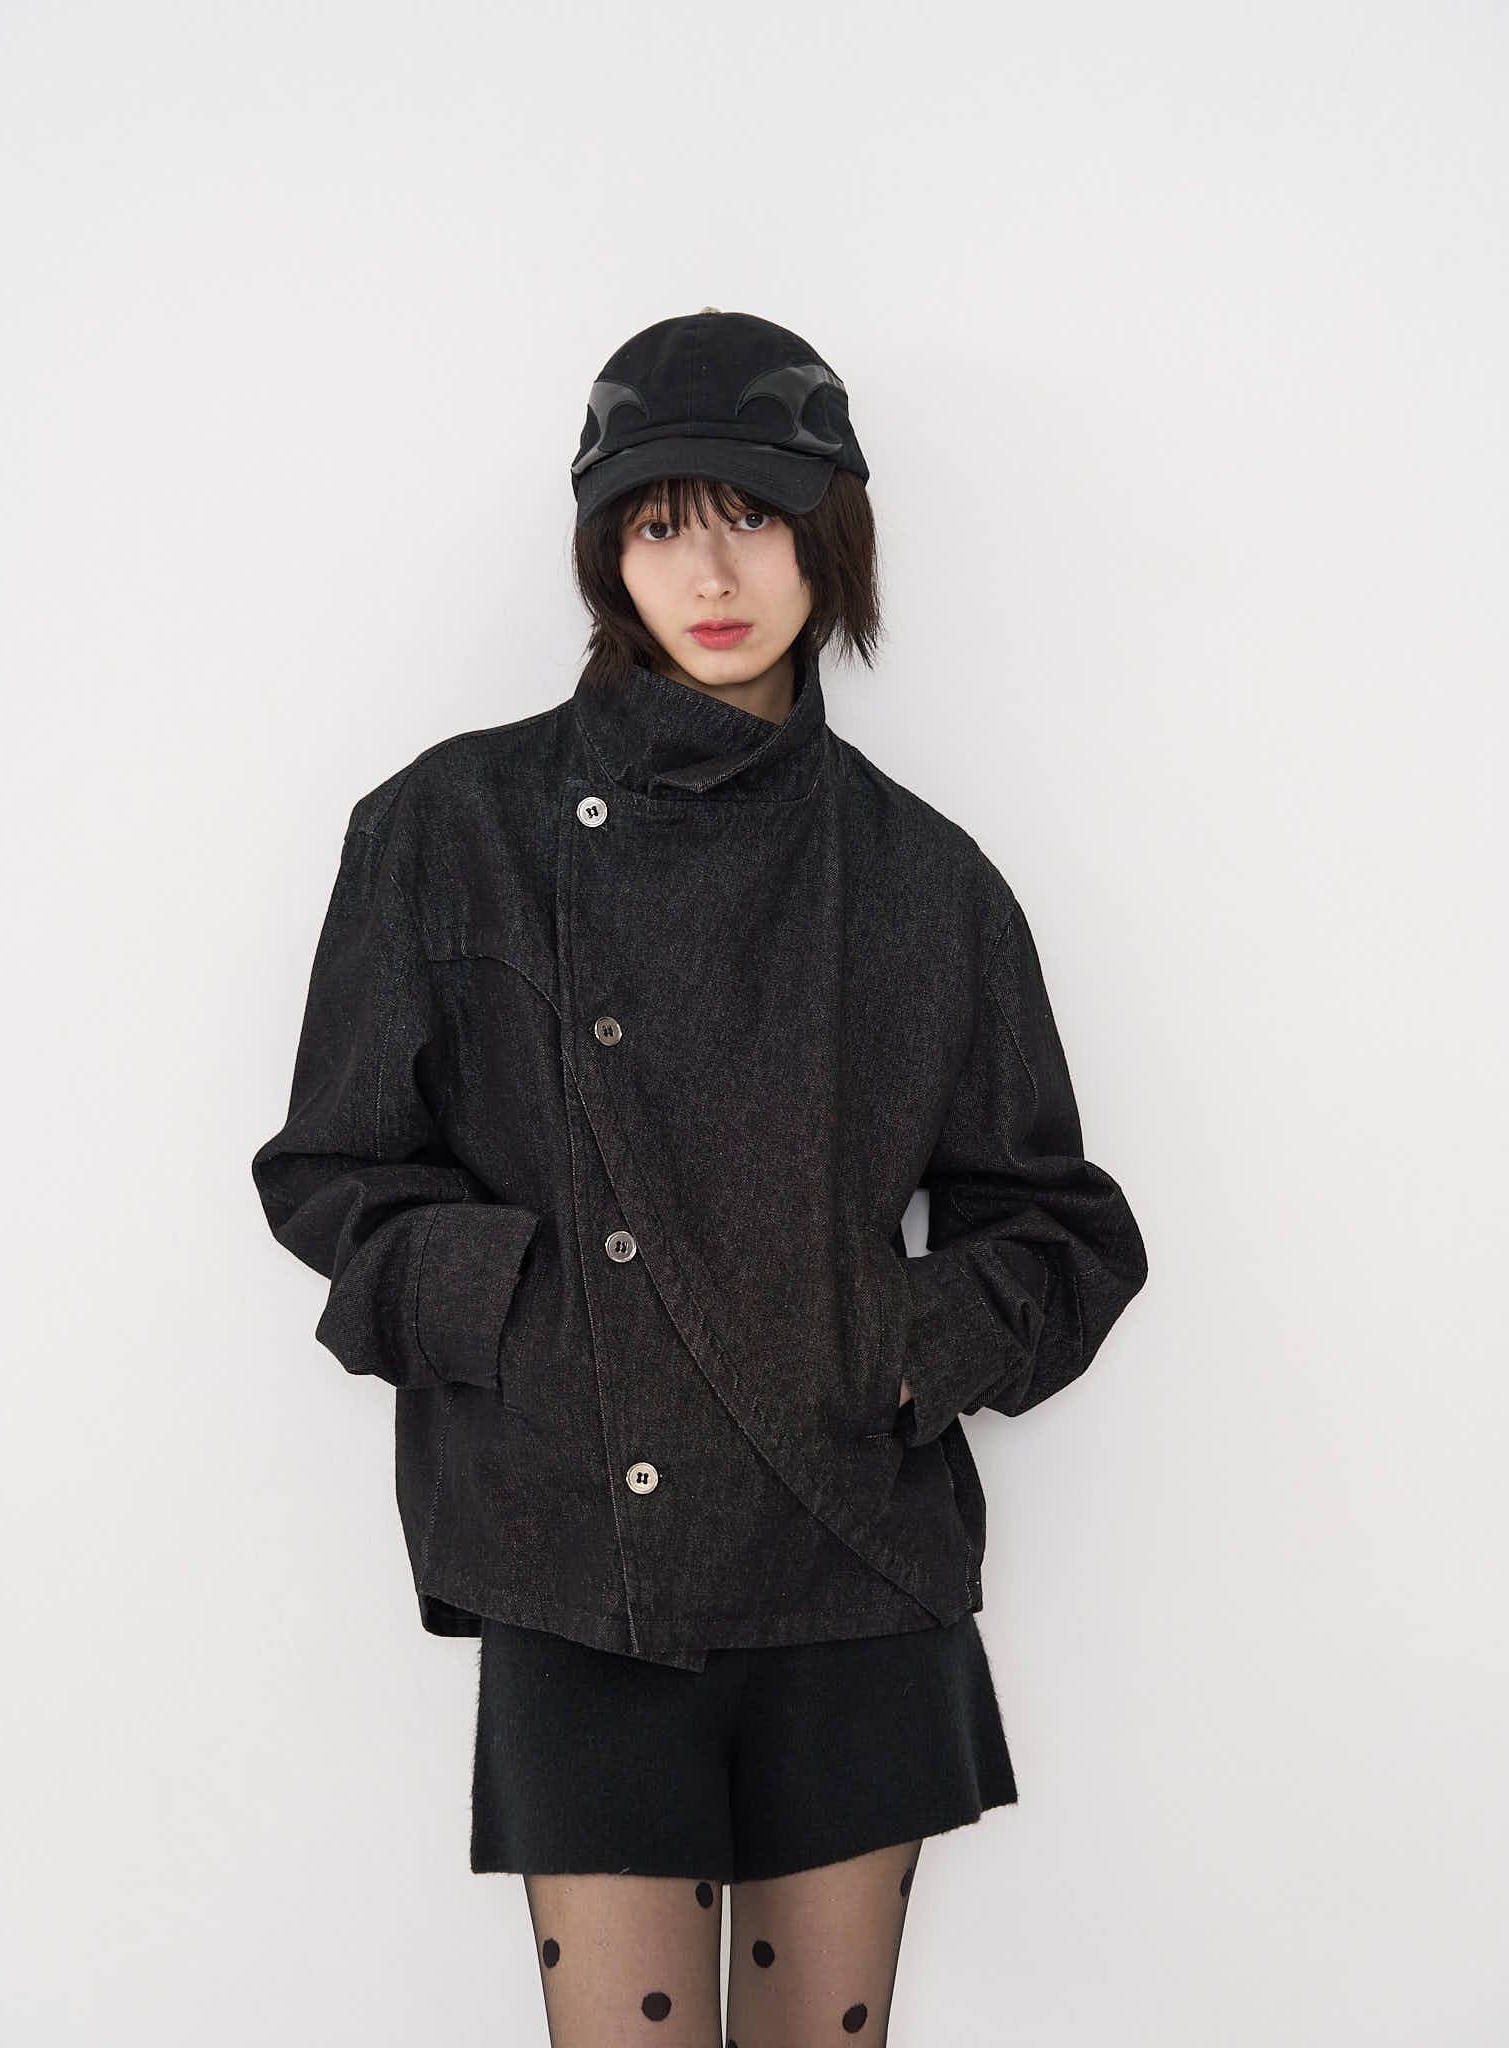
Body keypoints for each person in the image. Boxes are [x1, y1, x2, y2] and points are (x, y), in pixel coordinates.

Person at [250, 307, 1149, 2045]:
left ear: (831, 538)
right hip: (578, 1550)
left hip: (851, 1552)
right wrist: (532, 1315)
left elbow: (1059, 1227)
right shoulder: (449, 828)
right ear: (606, 551)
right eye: (661, 524)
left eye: (753, 516)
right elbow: (333, 1167)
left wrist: (893, 1347)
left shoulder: (923, 879)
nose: (712, 572)